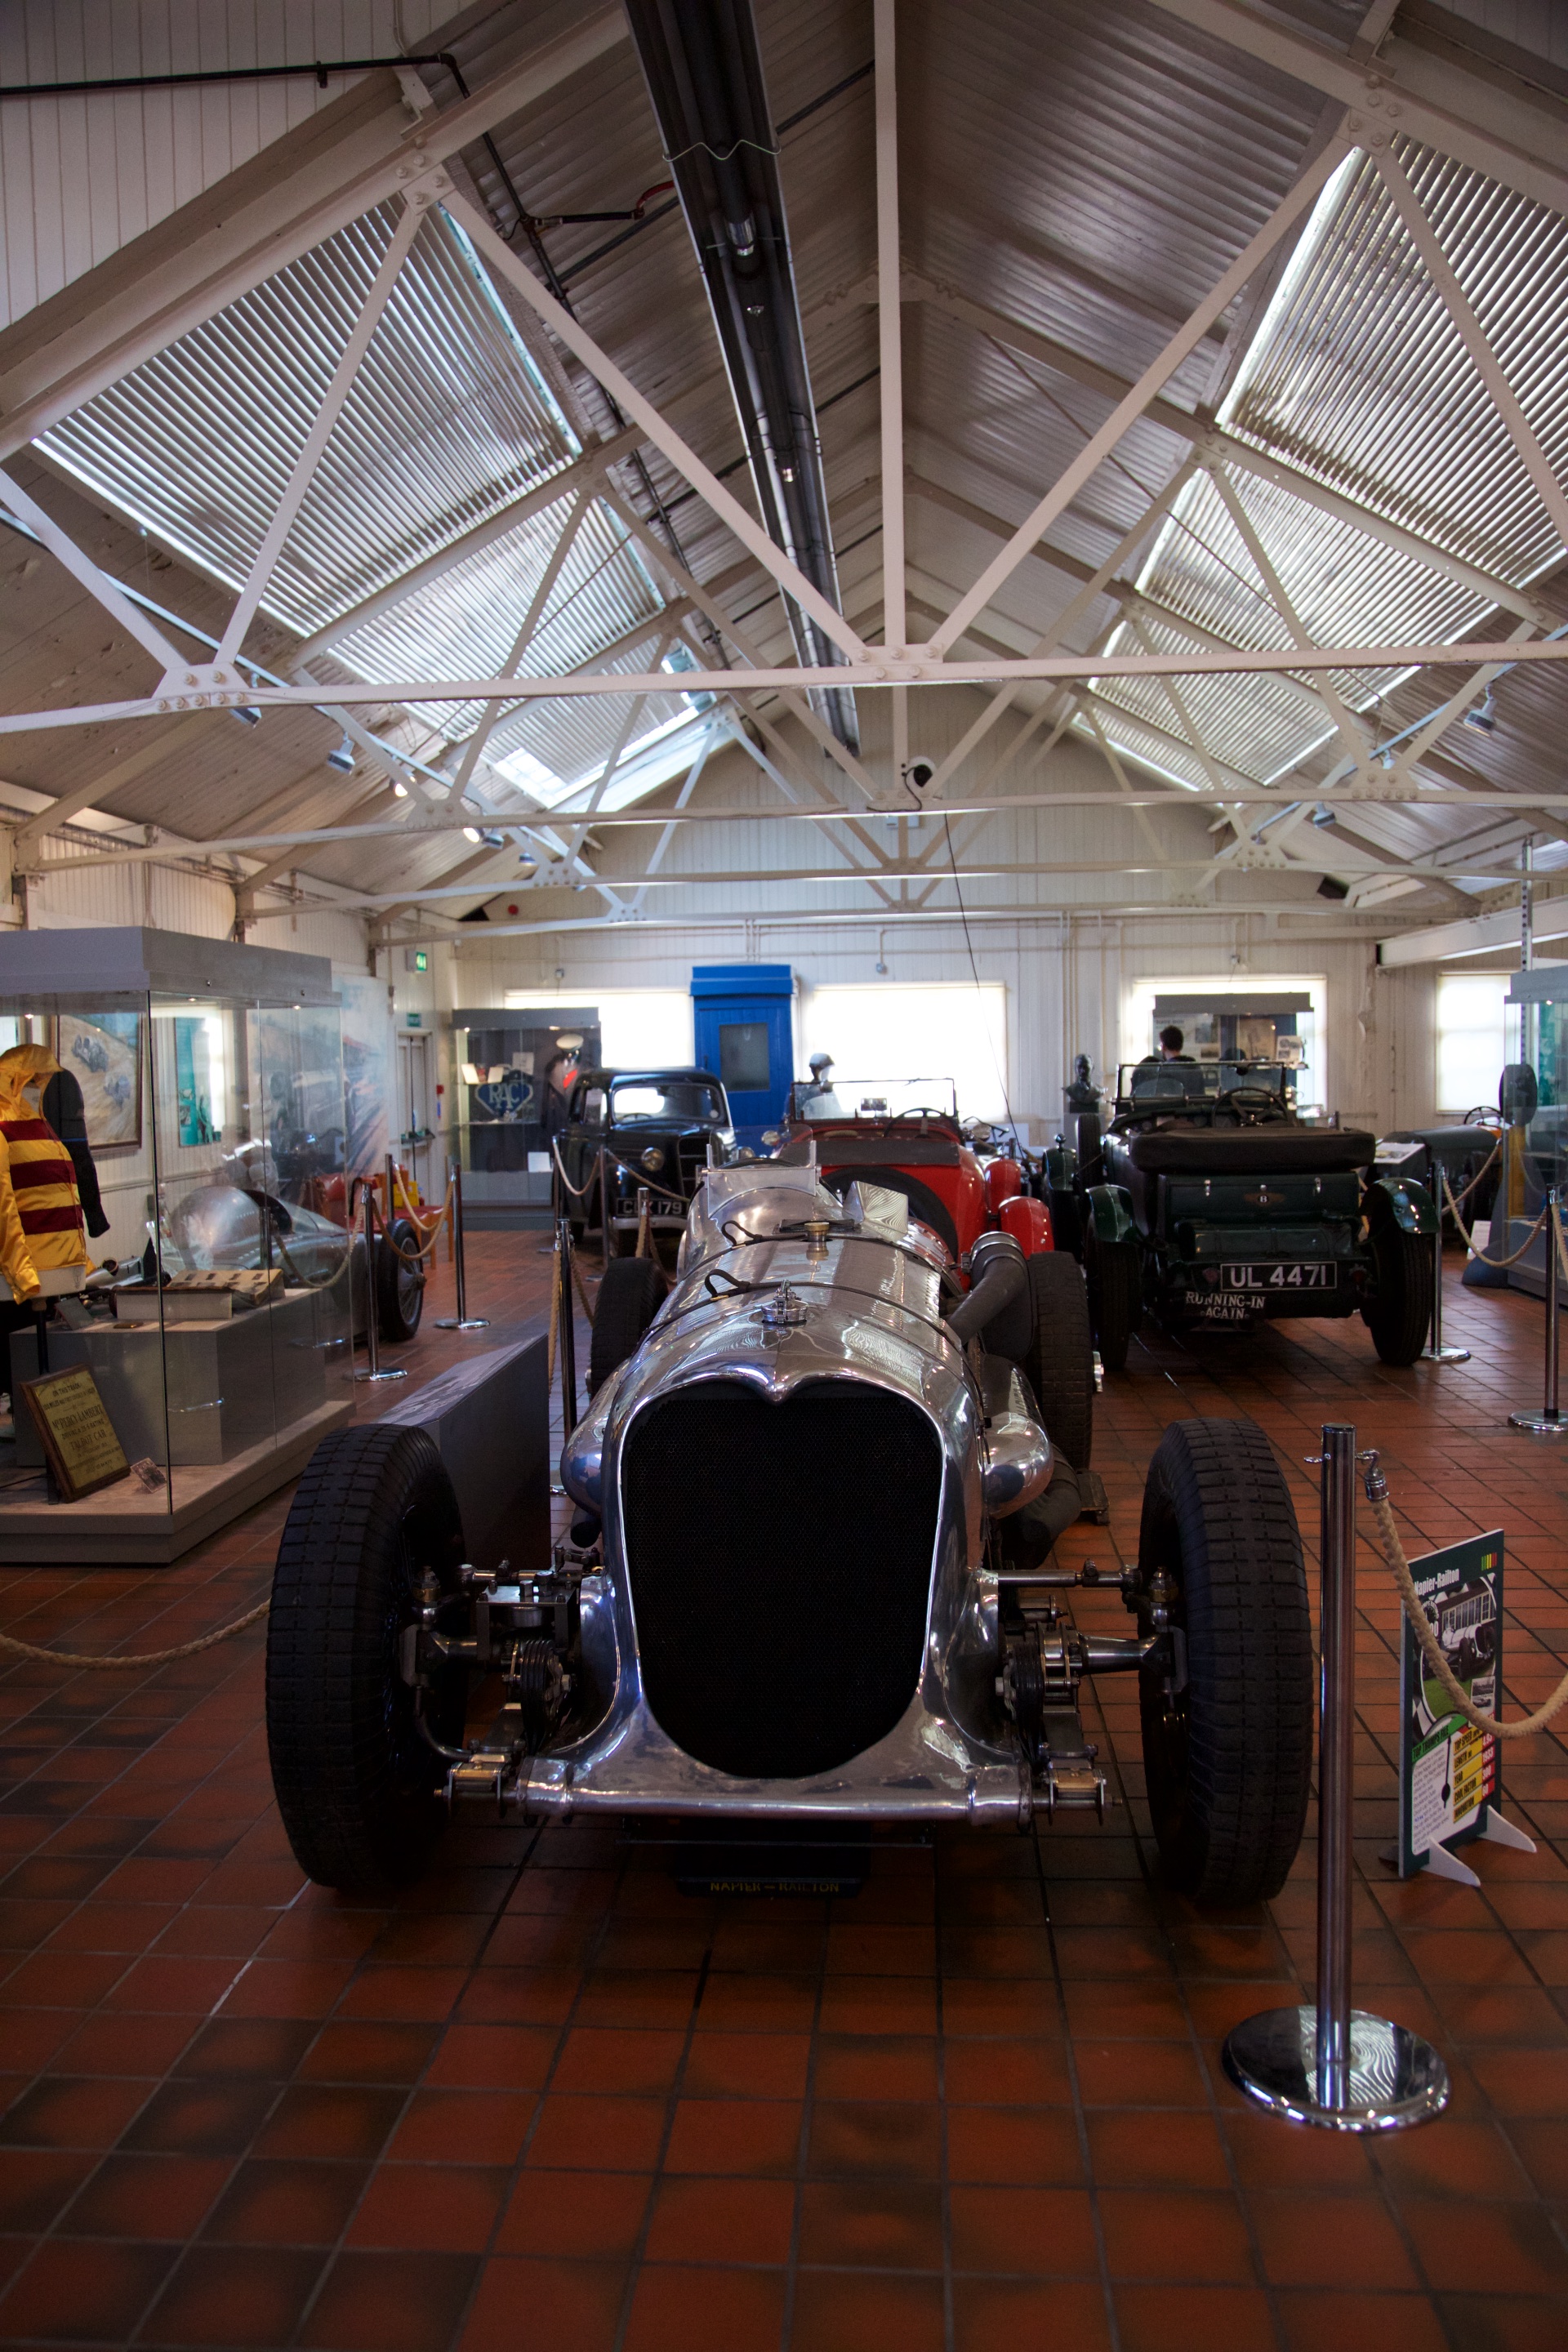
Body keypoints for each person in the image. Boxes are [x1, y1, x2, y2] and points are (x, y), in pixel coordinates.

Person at [799, 1051, 844, 1118]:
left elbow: (837, 1111)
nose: (827, 1072)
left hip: (830, 1122)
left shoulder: (828, 1088)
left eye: (828, 1070)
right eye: (825, 1070)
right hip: (813, 1123)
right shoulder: (805, 1091)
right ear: (814, 1070)